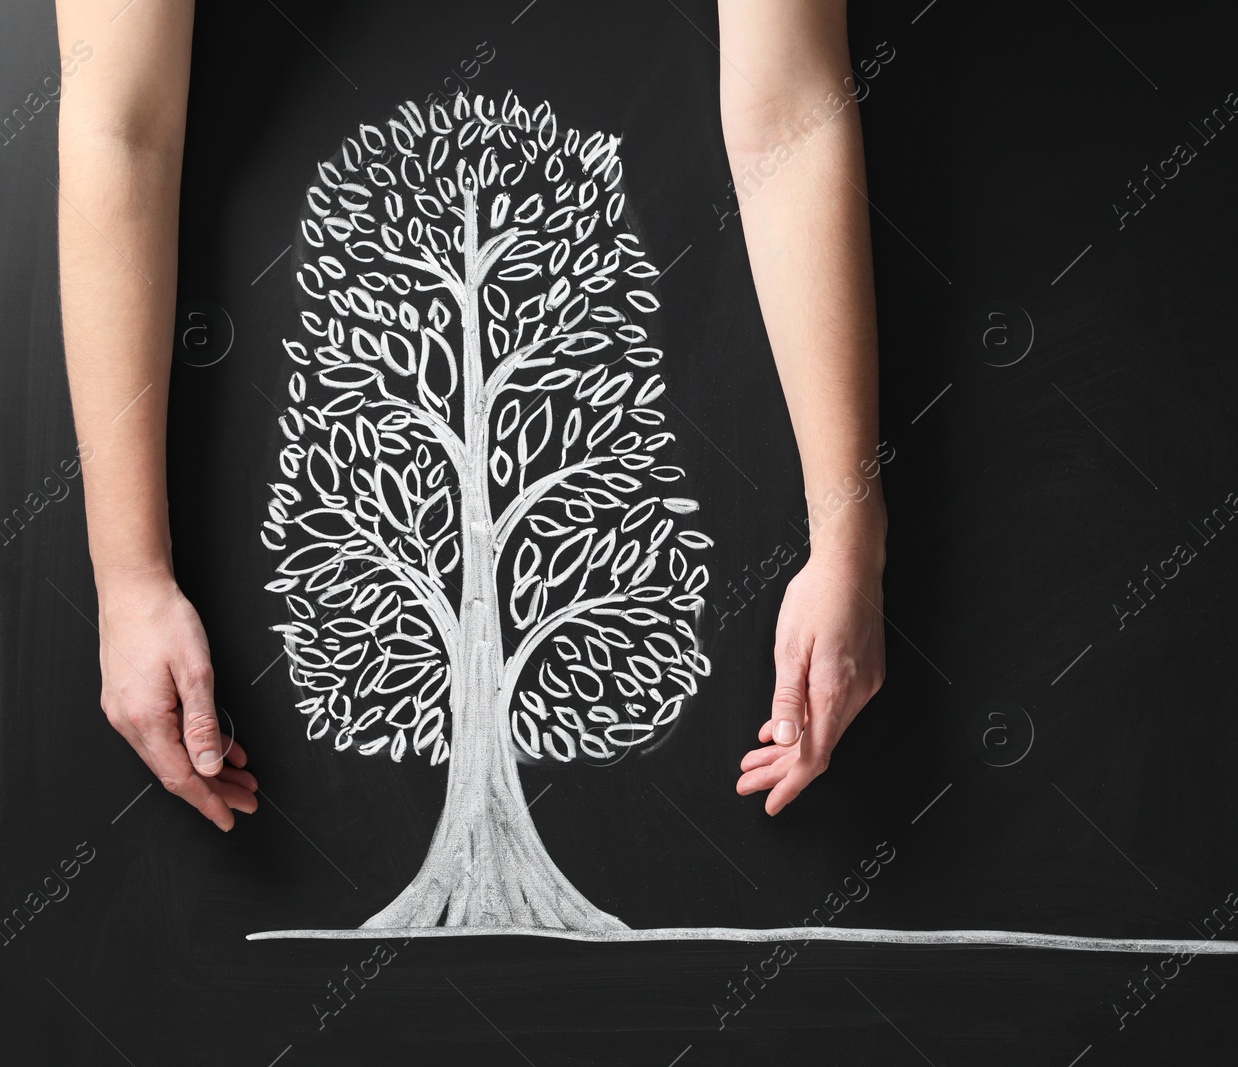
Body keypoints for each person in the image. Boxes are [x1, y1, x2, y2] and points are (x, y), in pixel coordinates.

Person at [54, 0, 887, 829]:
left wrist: (849, 541)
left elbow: (791, 111)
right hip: (237, 432)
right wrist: (128, 577)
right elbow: (118, 125)